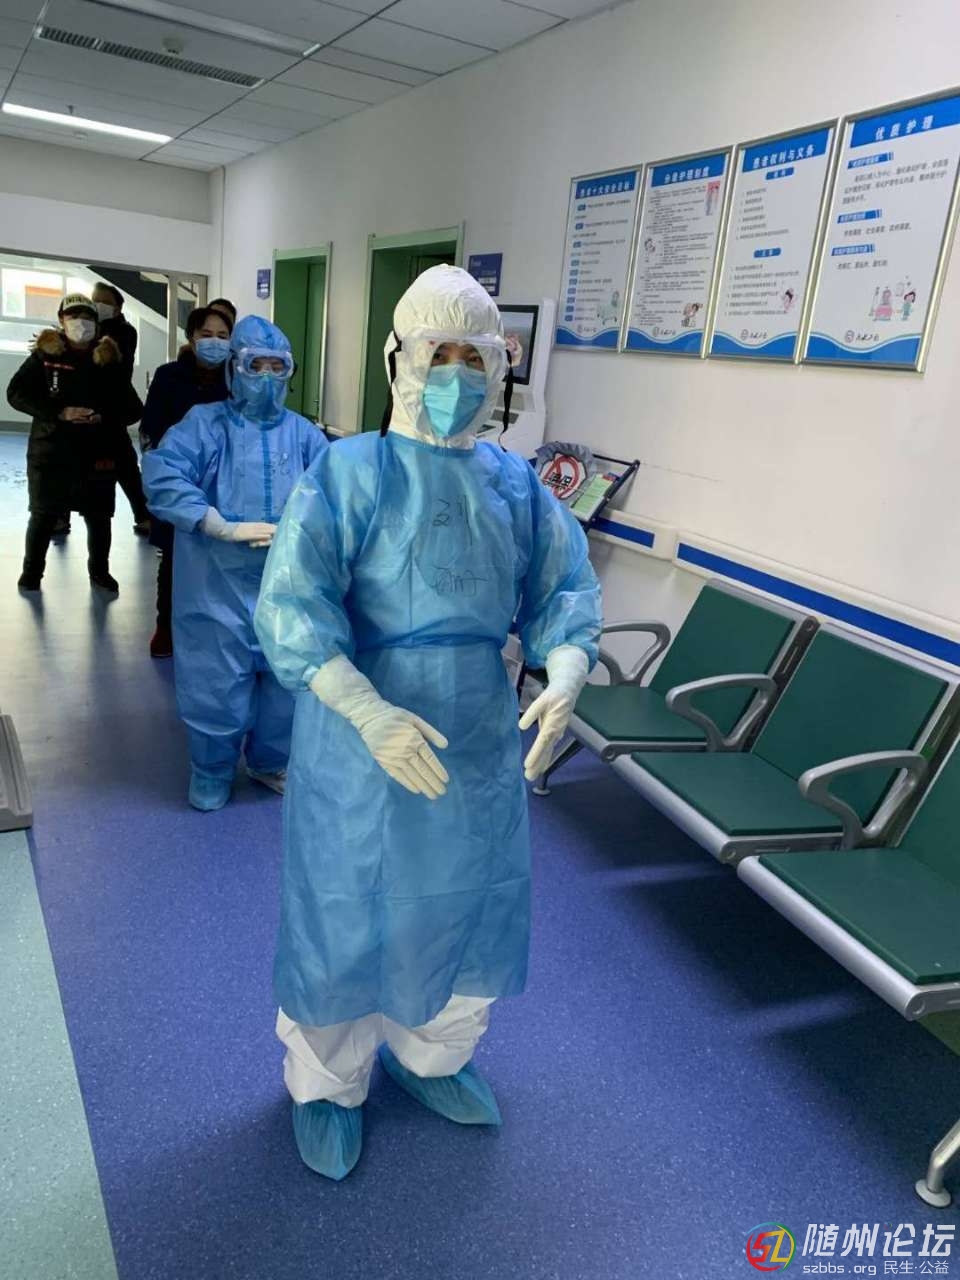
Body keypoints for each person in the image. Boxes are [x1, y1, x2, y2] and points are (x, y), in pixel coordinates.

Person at [254, 265, 601, 1181]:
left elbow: (564, 588)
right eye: (437, 354)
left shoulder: (515, 486)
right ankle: (327, 1083)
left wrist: (568, 667)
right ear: (397, 360)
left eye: (473, 358)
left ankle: (430, 1055)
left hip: (476, 736)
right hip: (357, 736)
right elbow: (292, 606)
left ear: (499, 367)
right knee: (345, 910)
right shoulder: (348, 473)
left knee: (461, 906)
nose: (455, 375)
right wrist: (367, 712)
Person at [143, 316, 327, 812]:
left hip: (288, 584)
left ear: (290, 371)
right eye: (254, 365)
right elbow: (162, 472)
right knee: (216, 682)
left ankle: (270, 762)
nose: (266, 377)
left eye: (276, 366)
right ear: (234, 368)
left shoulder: (305, 436)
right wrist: (214, 523)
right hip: (215, 585)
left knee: (286, 680)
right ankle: (211, 769)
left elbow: (335, 496)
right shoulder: (205, 425)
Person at [10, 293, 143, 594]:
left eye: (87, 318)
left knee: (99, 518)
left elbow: (134, 408)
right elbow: (16, 393)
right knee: (43, 515)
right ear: (61, 320)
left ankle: (100, 572)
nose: (80, 324)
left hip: (97, 453)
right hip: (50, 451)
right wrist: (59, 412)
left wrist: (103, 416)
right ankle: (31, 573)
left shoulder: (109, 359)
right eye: (74, 317)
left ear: (96, 323)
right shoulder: (45, 357)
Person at [139, 305, 233, 659]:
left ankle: (214, 629)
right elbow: (151, 428)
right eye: (206, 335)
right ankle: (165, 627)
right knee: (174, 558)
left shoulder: (236, 379)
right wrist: (169, 475)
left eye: (222, 336)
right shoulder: (169, 376)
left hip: (224, 485)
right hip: (179, 481)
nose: (214, 342)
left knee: (219, 561)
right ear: (192, 338)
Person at [90, 281, 151, 537]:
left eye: (104, 302)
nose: (97, 306)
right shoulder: (85, 327)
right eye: (95, 300)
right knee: (69, 464)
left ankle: (143, 515)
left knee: (125, 465)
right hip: (83, 409)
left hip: (113, 411)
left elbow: (117, 368)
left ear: (117, 307)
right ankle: (59, 518)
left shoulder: (125, 332)